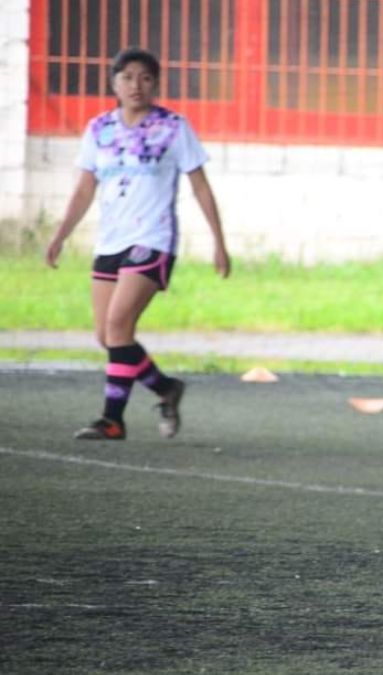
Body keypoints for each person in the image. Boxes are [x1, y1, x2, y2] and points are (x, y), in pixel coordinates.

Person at [44, 47, 231, 441]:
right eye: (127, 77)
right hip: (111, 241)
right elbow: (83, 189)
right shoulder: (99, 130)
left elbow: (200, 186)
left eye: (145, 78)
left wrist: (219, 241)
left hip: (153, 239)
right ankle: (166, 388)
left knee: (117, 325)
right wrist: (59, 235)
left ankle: (112, 420)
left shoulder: (173, 128)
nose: (136, 85)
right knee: (108, 336)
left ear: (156, 84)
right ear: (114, 83)